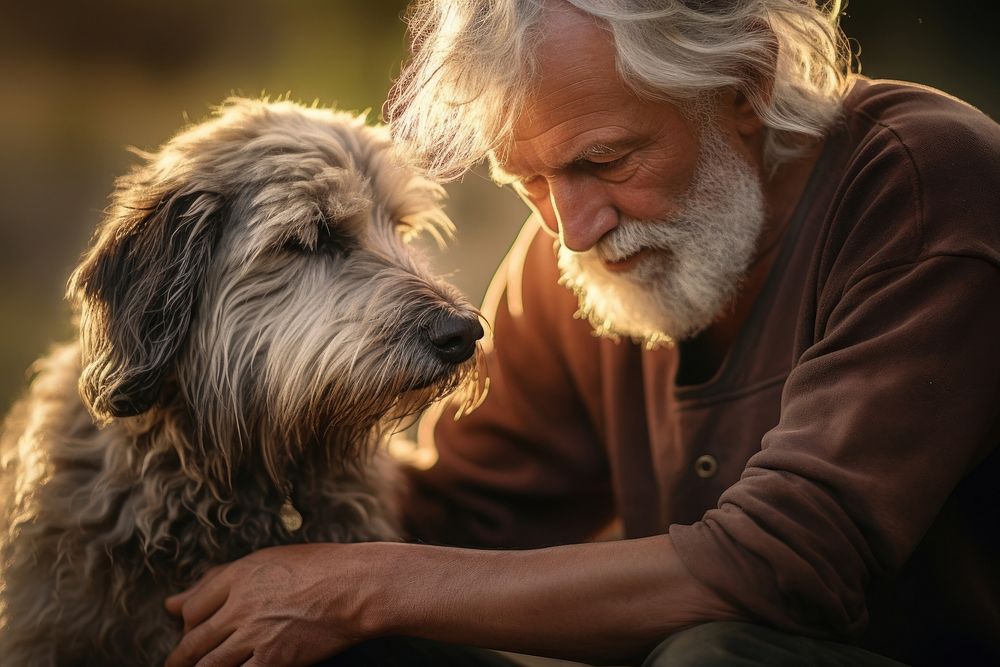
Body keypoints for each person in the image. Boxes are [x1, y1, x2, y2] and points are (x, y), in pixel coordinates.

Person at [164, 1, 1000, 666]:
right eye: (529, 179)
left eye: (604, 161)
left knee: (714, 655)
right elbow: (447, 520)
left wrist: (360, 588)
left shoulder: (926, 191)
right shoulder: (579, 261)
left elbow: (782, 566)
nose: (572, 230)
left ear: (745, 84)